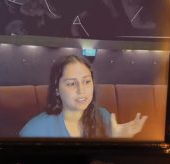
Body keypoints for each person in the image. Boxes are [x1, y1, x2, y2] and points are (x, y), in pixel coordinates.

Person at [18, 54, 148, 139]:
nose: (81, 90)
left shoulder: (104, 116)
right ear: (57, 89)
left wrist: (119, 141)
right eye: (71, 83)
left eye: (86, 81)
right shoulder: (34, 131)